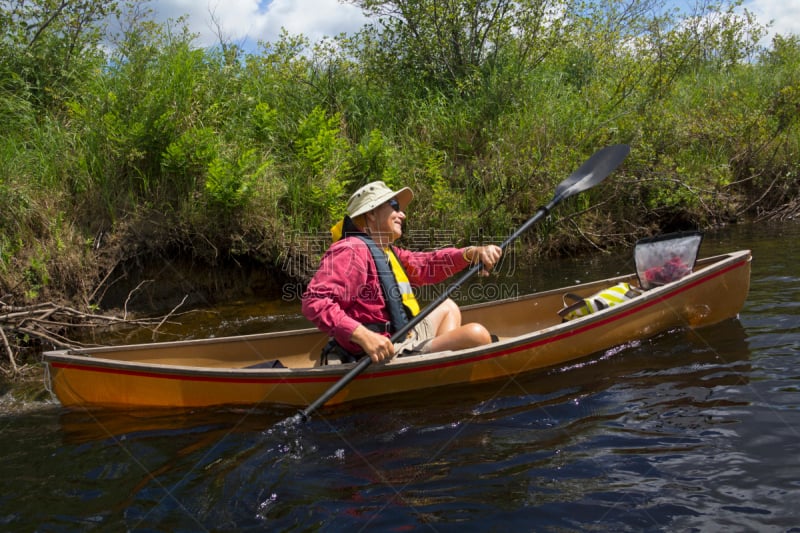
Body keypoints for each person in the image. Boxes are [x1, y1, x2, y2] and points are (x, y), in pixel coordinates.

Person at [302, 180, 503, 364]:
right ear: (371, 214)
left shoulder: (386, 251)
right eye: (395, 206)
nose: (402, 214)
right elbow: (315, 301)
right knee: (477, 335)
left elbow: (427, 265)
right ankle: (436, 364)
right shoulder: (351, 250)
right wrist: (363, 335)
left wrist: (471, 253)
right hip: (378, 351)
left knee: (448, 307)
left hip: (401, 335)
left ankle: (435, 364)